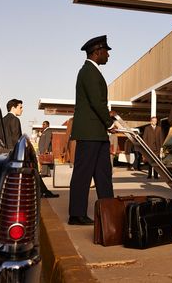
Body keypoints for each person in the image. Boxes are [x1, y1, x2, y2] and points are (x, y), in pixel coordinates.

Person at [68, 35, 120, 226]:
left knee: (103, 175)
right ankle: (76, 214)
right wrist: (109, 122)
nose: (108, 55)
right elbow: (96, 102)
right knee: (83, 174)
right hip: (90, 132)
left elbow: (96, 103)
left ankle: (110, 212)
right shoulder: (89, 71)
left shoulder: (92, 71)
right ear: (97, 52)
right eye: (106, 52)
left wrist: (107, 119)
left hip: (97, 133)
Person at [3, 99, 59, 198]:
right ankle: (43, 192)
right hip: (16, 154)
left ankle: (42, 191)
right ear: (13, 108)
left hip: (6, 153)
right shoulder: (15, 120)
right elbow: (16, 139)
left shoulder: (3, 120)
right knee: (34, 171)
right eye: (20, 107)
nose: (22, 110)